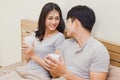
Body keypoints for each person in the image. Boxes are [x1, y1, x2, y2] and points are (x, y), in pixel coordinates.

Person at [0, 2, 65, 80]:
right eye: (50, 18)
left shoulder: (59, 37)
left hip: (38, 76)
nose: (54, 22)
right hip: (24, 71)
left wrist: (33, 55)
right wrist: (27, 52)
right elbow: (27, 59)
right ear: (43, 18)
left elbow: (54, 68)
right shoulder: (36, 33)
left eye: (57, 18)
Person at [44, 5, 110, 80]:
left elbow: (63, 72)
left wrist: (64, 72)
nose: (66, 26)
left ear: (75, 22)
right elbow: (55, 75)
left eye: (68, 21)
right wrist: (51, 66)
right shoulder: (66, 43)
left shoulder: (98, 51)